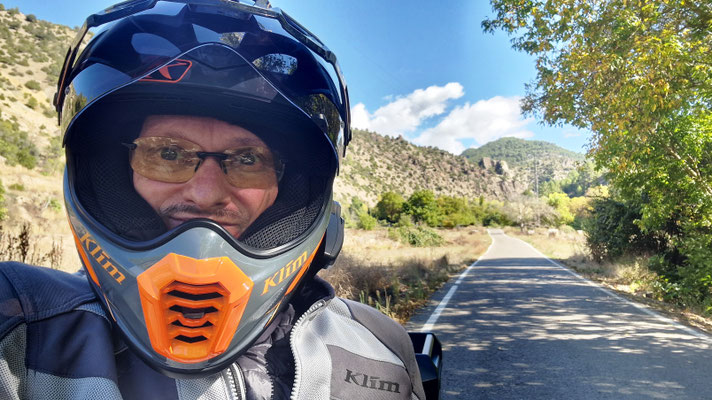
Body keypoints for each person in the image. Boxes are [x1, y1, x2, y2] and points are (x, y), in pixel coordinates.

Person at [0, 1, 427, 399]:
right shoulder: (20, 328)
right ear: (110, 175)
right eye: (168, 154)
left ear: (293, 191)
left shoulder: (380, 347)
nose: (205, 194)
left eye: (248, 159)